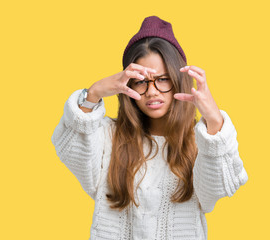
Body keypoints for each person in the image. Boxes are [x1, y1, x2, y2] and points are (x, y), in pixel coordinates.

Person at [51, 16, 248, 240]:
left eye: (163, 79)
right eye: (141, 81)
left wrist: (214, 121)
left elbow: (214, 193)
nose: (152, 91)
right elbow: (74, 153)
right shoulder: (108, 136)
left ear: (178, 79)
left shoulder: (201, 140)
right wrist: (93, 94)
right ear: (127, 83)